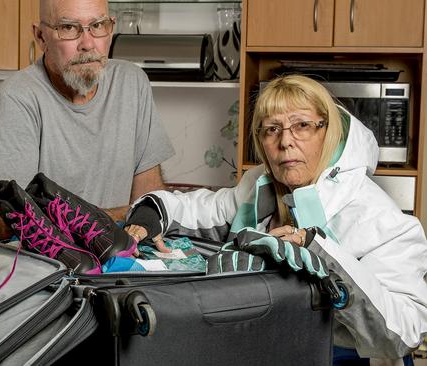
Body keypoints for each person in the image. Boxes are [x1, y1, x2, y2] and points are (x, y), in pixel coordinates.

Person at [124, 74, 427, 365]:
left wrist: (319, 254)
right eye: (271, 129)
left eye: (302, 126)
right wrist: (151, 214)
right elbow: (195, 210)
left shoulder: (379, 218)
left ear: (328, 131)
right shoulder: (260, 188)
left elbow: (402, 334)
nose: (285, 141)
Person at [0, 0, 174, 240]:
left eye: (98, 25)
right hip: (40, 268)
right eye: (69, 28)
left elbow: (149, 205)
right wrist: (118, 216)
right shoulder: (17, 99)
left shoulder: (132, 83)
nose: (88, 44)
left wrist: (62, 219)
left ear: (111, 28)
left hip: (115, 259)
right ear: (41, 37)